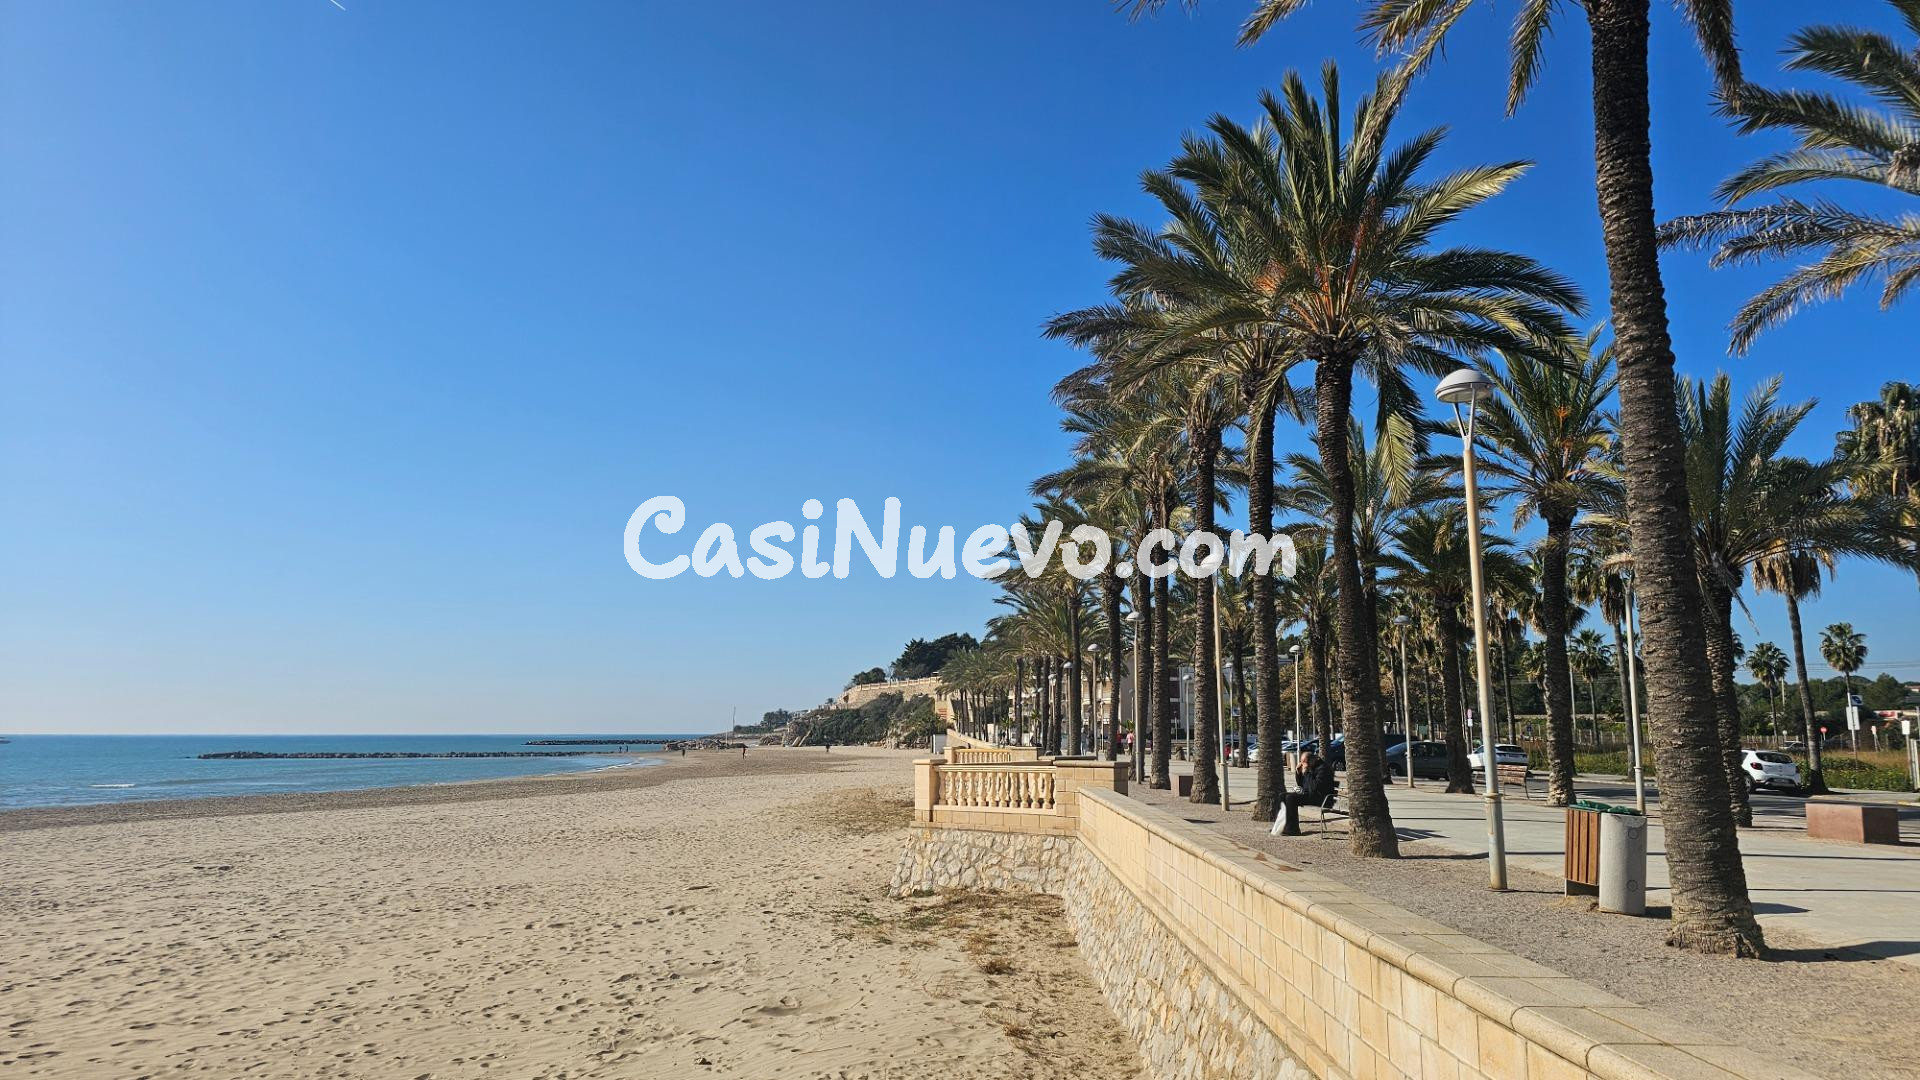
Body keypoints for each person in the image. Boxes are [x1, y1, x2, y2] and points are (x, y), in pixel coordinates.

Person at [1273, 751, 1337, 836]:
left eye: (1304, 762)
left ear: (1312, 760)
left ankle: (1293, 829)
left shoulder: (1323, 768)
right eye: (1301, 762)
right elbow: (1302, 785)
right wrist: (1298, 773)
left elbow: (1314, 788)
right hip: (1310, 794)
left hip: (1321, 797)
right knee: (1282, 796)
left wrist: (1306, 772)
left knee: (1290, 798)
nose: (1302, 764)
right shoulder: (1311, 767)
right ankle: (1282, 826)